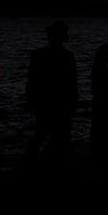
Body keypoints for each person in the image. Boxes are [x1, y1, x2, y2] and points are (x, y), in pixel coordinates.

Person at [25, 21, 78, 161]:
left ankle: (32, 161)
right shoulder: (68, 56)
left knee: (42, 134)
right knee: (60, 135)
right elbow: (72, 82)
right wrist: (74, 101)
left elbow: (31, 79)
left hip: (45, 101)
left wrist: (30, 98)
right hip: (60, 101)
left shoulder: (38, 54)